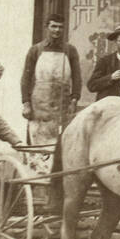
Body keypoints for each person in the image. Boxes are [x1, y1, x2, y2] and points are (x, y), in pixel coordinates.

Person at [20, 14, 81, 148]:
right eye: (53, 26)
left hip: (62, 106)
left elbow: (77, 78)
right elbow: (25, 78)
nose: (57, 30)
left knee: (61, 144)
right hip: (39, 107)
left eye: (60, 27)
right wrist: (26, 103)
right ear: (47, 27)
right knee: (37, 142)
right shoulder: (35, 50)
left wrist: (74, 100)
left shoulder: (70, 51)